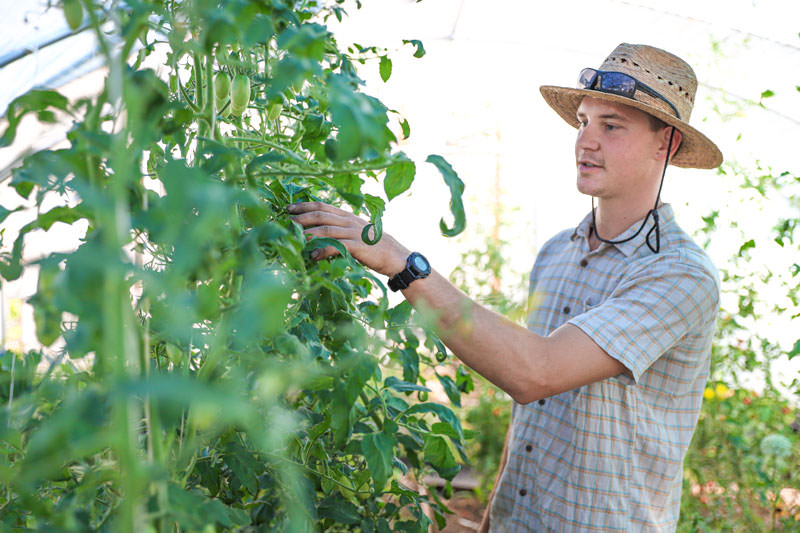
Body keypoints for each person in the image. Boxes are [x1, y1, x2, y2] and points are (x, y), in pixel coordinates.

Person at [288, 43, 722, 532]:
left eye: (612, 126)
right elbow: (532, 412)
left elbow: (535, 372)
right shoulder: (558, 252)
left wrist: (398, 261)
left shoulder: (680, 275)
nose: (585, 141)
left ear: (665, 145)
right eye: (583, 121)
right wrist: (495, 516)